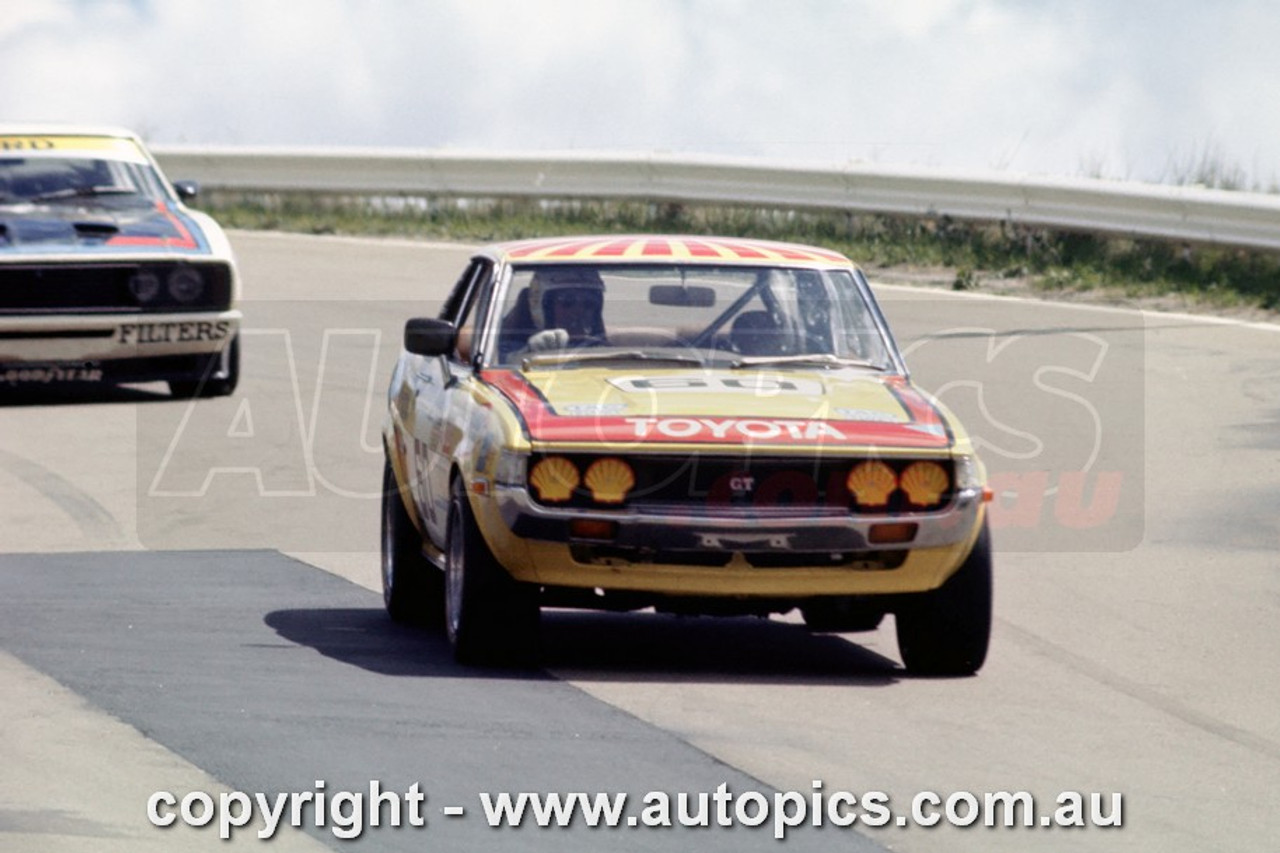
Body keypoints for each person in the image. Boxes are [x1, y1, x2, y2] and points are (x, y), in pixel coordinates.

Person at [521, 267, 606, 353]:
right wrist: (531, 351)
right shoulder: (513, 345)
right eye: (567, 302)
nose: (578, 311)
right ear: (547, 308)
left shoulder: (606, 351)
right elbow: (510, 361)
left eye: (589, 303)